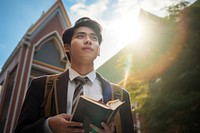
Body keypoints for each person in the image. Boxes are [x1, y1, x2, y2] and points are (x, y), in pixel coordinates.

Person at [15, 17, 134, 133]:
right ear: (67, 47)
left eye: (94, 38)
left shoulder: (121, 95)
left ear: (98, 51)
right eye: (80, 36)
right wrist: (49, 125)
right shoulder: (41, 86)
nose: (88, 40)